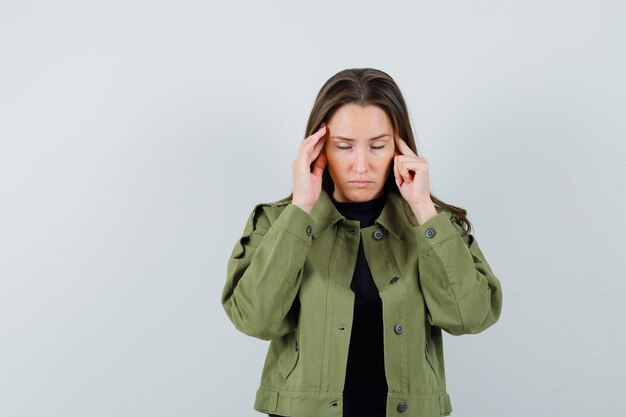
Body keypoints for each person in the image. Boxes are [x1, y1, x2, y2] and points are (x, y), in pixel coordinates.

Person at [221, 68, 503, 417]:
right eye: (343, 146)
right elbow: (254, 319)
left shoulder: (432, 226)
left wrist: (424, 210)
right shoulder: (279, 223)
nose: (360, 165)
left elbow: (469, 317)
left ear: (400, 146)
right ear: (317, 147)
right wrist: (301, 208)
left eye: (377, 146)